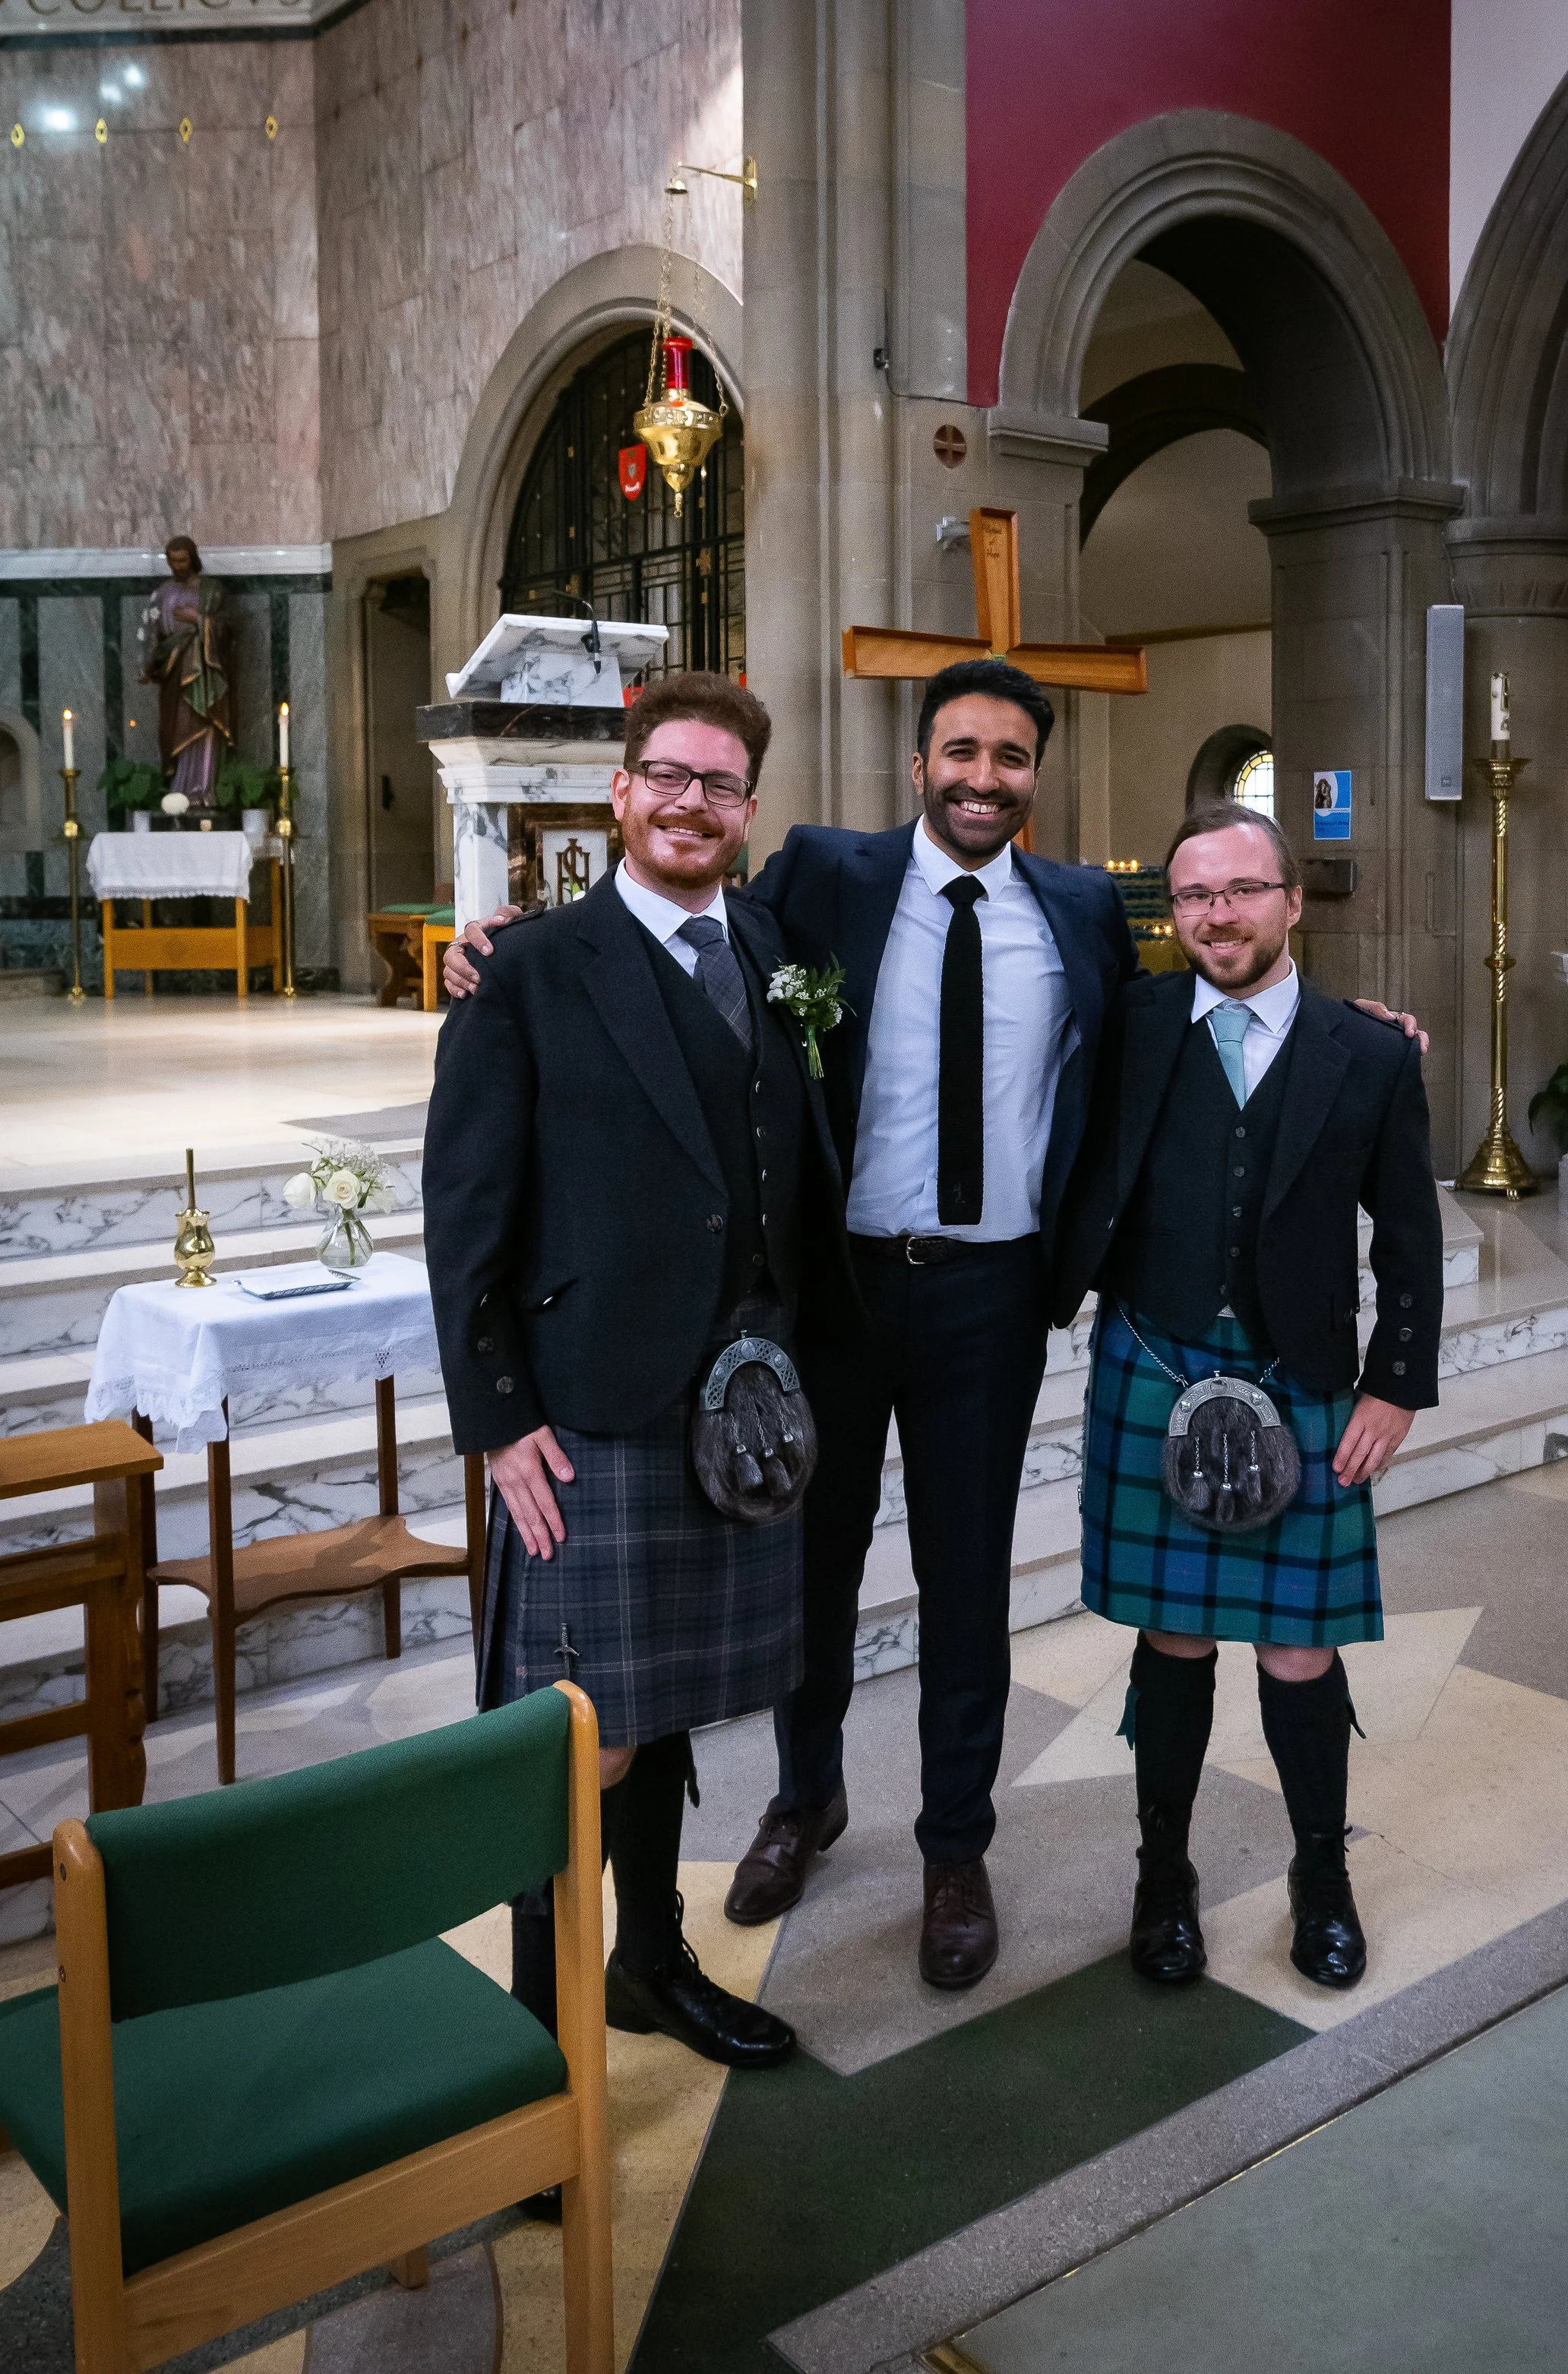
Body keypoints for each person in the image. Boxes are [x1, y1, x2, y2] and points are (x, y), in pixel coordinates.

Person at [445, 659, 1423, 1993]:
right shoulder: (818, 882)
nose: (981, 777)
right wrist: (497, 942)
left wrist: (1351, 1029)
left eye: (1010, 757)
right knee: (813, 1565)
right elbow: (666, 950)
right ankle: (806, 1798)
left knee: (967, 1581)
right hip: (834, 1286)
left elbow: (1203, 1003)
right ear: (919, 764)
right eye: (959, 751)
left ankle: (955, 1847)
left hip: (992, 1290)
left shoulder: (1082, 912)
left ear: (1036, 776)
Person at [423, 672, 859, 2145]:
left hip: (739, 1410)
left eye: (720, 783)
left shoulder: (777, 944)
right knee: (578, 1739)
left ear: (748, 808)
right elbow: (466, 1210)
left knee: (661, 1715)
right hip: (592, 1407)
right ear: (619, 791)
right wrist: (495, 1416)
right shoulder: (527, 968)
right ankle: (539, 2062)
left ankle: (649, 1961)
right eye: (665, 775)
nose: (690, 802)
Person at [1053, 801, 1442, 1994]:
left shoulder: (1368, 1052)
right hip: (1156, 1360)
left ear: (1291, 902)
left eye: (1239, 890)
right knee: (1171, 1637)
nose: (1216, 914)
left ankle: (1319, 1874)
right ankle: (1161, 1878)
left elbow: (1411, 1233)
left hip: (1304, 1372)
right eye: (1193, 896)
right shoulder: (1128, 1022)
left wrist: (1396, 1383)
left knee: (1297, 1649)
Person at [139, 536, 233, 812]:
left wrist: (199, 620)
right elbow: (153, 634)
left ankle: (202, 789)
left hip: (204, 672)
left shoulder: (212, 590)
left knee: (203, 722)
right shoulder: (162, 593)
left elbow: (228, 630)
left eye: (183, 560)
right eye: (172, 560)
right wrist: (150, 664)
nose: (178, 566)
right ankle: (178, 790)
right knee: (173, 726)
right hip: (173, 668)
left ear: (193, 558)